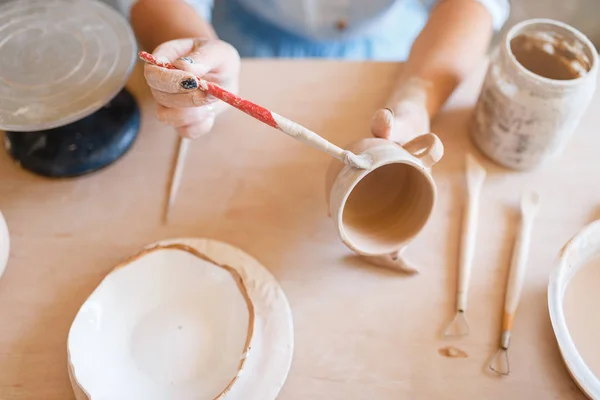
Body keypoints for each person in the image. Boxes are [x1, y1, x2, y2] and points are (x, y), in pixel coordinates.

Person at [123, 0, 509, 144]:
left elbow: (473, 5)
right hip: (240, 37)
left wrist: (419, 96)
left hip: (404, 50)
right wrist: (193, 50)